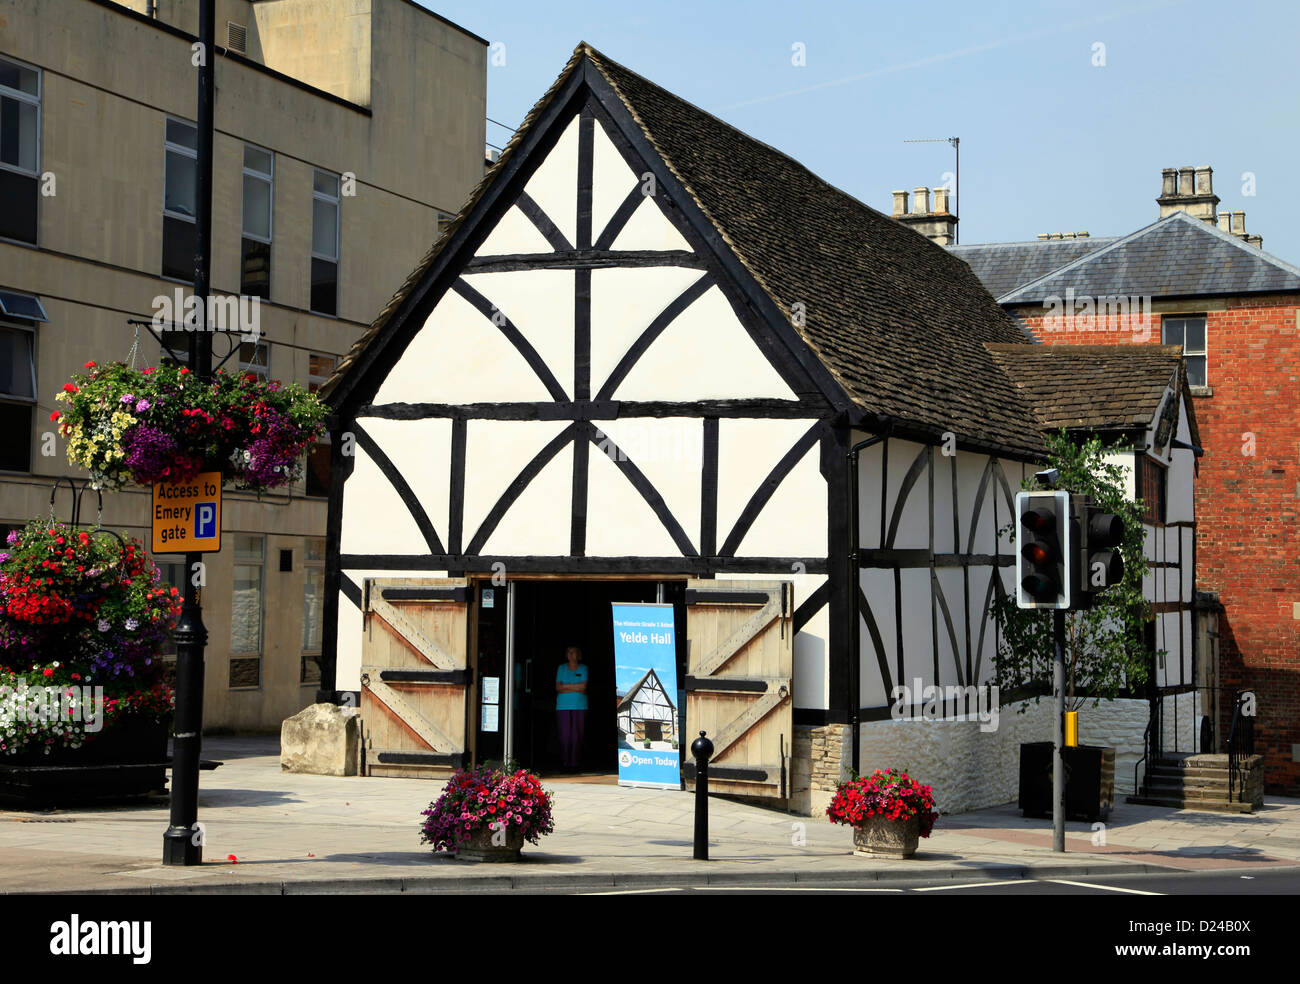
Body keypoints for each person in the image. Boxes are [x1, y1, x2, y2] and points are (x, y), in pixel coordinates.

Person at [555, 646, 588, 771]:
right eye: (568, 652)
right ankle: (565, 762)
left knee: (577, 735)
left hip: (580, 706)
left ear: (578, 654)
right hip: (563, 707)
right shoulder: (561, 668)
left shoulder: (584, 668)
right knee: (564, 735)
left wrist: (566, 687)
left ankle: (575, 763)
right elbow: (558, 688)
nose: (570, 654)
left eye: (573, 652)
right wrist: (576, 687)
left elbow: (584, 687)